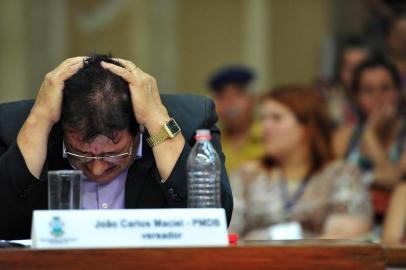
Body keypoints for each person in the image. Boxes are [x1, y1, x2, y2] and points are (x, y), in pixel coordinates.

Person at [0, 54, 233, 240]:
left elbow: (215, 220)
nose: (98, 168)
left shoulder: (191, 121)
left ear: (138, 129)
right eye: (79, 154)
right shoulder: (20, 127)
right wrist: (39, 118)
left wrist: (156, 119)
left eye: (115, 154)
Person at [229, 86, 372, 240]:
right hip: (252, 261)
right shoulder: (247, 174)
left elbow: (343, 236)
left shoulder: (341, 175)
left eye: (276, 118)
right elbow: (227, 232)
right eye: (262, 119)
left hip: (317, 262)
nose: (265, 127)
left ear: (308, 126)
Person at [333, 55, 406, 222]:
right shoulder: (343, 138)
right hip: (350, 224)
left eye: (385, 88)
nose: (378, 97)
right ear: (356, 98)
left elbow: (394, 182)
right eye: (368, 91)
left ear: (398, 93)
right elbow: (332, 188)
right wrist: (375, 179)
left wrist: (370, 136)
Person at [208, 66, 263, 173]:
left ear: (254, 99)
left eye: (238, 95)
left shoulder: (269, 137)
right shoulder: (209, 143)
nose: (230, 103)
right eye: (222, 96)